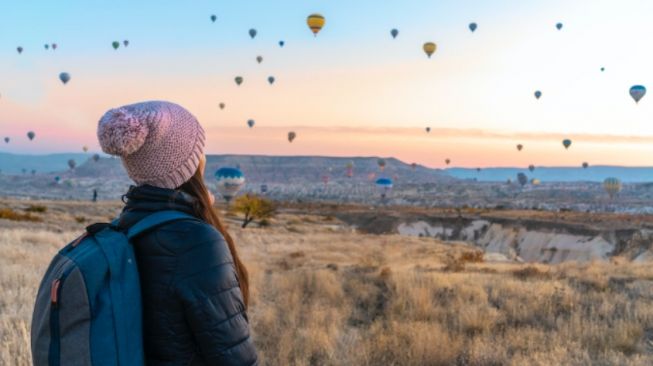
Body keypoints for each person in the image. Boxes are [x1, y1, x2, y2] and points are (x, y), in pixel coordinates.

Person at [97, 101, 258, 365]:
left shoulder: (124, 227)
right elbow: (235, 357)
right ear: (190, 162)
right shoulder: (196, 241)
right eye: (199, 149)